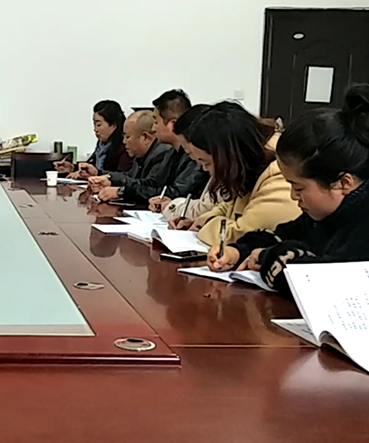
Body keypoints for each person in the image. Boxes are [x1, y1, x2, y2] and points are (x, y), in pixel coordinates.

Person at [209, 85, 369, 294]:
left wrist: (267, 256)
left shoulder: (362, 225)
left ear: (343, 183)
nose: (293, 196)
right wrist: (238, 251)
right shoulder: (320, 216)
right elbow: (279, 235)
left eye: (298, 187)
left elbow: (322, 281)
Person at [173, 102, 300, 246]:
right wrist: (201, 221)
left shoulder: (281, 172)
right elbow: (229, 206)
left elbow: (242, 234)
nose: (205, 170)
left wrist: (205, 227)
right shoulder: (251, 164)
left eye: (206, 163)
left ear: (228, 157)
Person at [87, 110, 172, 202]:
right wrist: (108, 179)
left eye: (127, 137)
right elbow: (130, 177)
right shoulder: (140, 155)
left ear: (145, 137)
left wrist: (120, 191)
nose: (124, 142)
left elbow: (150, 186)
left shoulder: (162, 154)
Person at [54, 100, 133, 178]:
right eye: (94, 124)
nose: (95, 129)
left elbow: (122, 177)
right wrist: (72, 168)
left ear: (113, 126)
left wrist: (97, 174)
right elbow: (91, 168)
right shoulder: (101, 146)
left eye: (98, 125)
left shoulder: (126, 147)